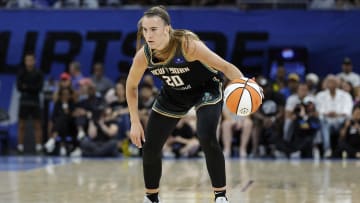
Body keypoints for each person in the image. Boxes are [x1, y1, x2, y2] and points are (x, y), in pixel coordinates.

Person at [125, 6, 256, 203]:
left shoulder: (187, 46)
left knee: (206, 135)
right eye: (145, 30)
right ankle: (151, 198)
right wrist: (135, 121)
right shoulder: (143, 56)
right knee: (150, 145)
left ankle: (220, 196)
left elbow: (226, 67)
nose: (148, 35)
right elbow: (131, 86)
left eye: (153, 29)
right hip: (174, 94)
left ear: (167, 29)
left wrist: (244, 87)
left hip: (205, 90)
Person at [16, 52, 44, 154]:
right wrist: (31, 87)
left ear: (34, 61)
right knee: (21, 125)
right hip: (24, 102)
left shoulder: (39, 73)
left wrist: (27, 87)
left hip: (35, 102)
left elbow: (38, 88)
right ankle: (20, 147)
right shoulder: (21, 73)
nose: (29, 62)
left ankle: (38, 146)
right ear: (25, 61)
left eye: (31, 60)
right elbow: (19, 87)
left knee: (37, 124)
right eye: (27, 60)